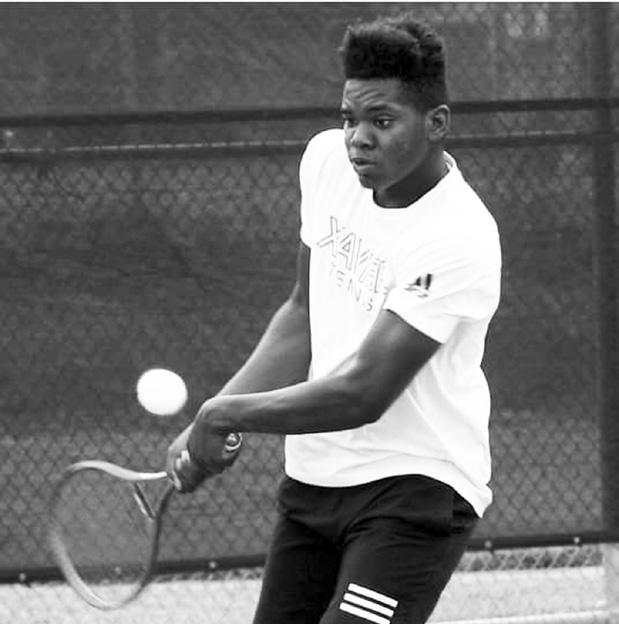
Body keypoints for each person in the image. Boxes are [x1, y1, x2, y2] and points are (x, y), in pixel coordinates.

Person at [166, 12, 501, 624]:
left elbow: (363, 393)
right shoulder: (326, 163)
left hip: (416, 488)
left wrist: (225, 414)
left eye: (382, 122)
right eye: (350, 118)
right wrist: (206, 421)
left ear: (436, 123)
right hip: (314, 482)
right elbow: (303, 313)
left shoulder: (458, 237)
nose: (357, 139)